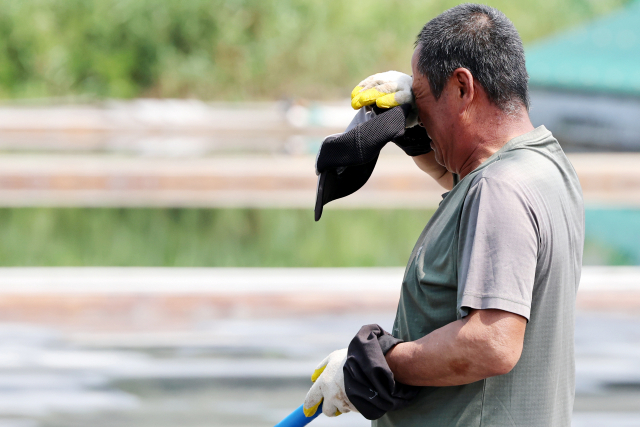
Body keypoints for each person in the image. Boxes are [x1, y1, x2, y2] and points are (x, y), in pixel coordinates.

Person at [304, 3, 585, 426]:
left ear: (461, 88)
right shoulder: (544, 167)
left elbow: (490, 344)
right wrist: (414, 126)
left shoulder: (499, 189)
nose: (417, 113)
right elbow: (463, 183)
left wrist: (380, 364)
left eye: (422, 99)